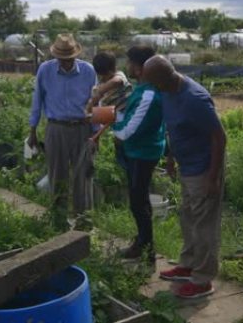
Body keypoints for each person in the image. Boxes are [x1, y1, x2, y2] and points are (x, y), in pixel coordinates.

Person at [143, 55, 227, 299]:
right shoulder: (168, 91)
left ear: (163, 78)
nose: (150, 86)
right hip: (187, 166)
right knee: (188, 218)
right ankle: (188, 265)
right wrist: (171, 157)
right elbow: (173, 127)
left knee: (204, 226)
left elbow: (219, 138)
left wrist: (213, 178)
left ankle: (202, 280)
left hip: (203, 169)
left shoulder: (195, 99)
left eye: (152, 81)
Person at [28, 34, 97, 230]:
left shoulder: (87, 71)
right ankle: (59, 221)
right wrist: (32, 130)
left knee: (83, 176)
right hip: (56, 127)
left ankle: (83, 221)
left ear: (75, 56)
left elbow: (95, 102)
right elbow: (37, 100)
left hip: (82, 127)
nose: (65, 62)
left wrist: (95, 133)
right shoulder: (46, 70)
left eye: (69, 58)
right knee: (57, 175)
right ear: (56, 56)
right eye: (62, 58)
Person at [111, 46, 164, 262]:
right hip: (137, 150)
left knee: (138, 201)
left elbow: (128, 130)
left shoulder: (149, 94)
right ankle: (144, 244)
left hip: (144, 152)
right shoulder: (142, 89)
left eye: (131, 63)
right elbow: (129, 116)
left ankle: (146, 249)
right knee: (139, 200)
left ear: (141, 68)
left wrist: (112, 124)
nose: (128, 66)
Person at [86, 51, 133, 170]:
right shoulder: (99, 85)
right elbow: (94, 109)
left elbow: (116, 81)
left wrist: (101, 92)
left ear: (113, 69)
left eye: (106, 75)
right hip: (114, 122)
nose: (103, 78)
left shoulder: (119, 76)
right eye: (101, 75)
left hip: (128, 117)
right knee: (122, 160)